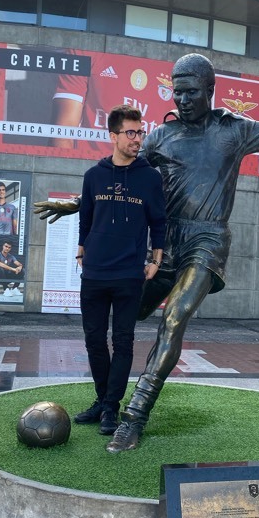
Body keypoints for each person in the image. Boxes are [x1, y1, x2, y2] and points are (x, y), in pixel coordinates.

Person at [35, 53, 259, 452]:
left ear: (209, 91)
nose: (182, 100)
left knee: (173, 319)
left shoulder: (233, 130)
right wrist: (75, 203)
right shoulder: (159, 137)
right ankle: (107, 403)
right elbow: (119, 176)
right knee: (126, 316)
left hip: (206, 242)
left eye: (190, 92)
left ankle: (134, 416)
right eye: (177, 92)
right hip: (163, 244)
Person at [73, 104, 167, 436]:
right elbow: (86, 216)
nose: (138, 139)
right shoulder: (93, 176)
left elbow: (159, 221)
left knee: (123, 342)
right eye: (131, 133)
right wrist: (82, 248)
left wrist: (155, 260)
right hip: (95, 273)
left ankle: (110, 408)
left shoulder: (149, 178)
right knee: (94, 340)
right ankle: (103, 400)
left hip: (129, 273)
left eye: (140, 132)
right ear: (113, 136)